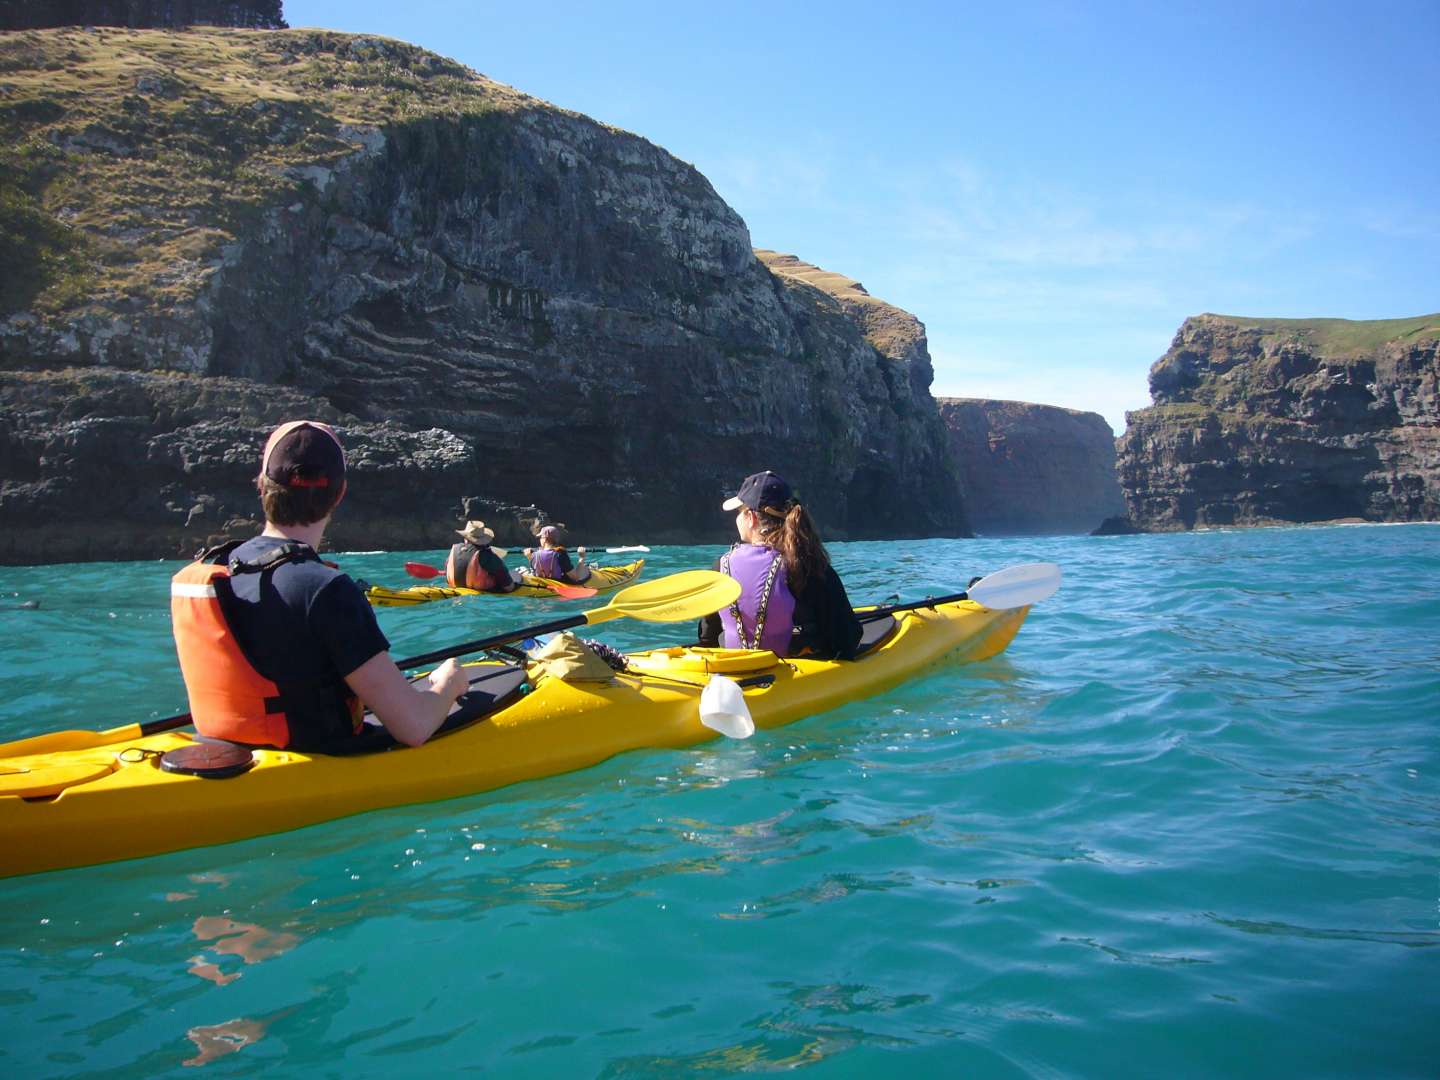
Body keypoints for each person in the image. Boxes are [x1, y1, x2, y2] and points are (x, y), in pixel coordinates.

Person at [171, 420, 469, 751]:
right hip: (316, 759)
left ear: (261, 485)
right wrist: (449, 683)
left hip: (220, 748)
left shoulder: (217, 567)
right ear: (339, 493)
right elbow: (414, 727)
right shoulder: (325, 588)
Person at [698, 470, 862, 660]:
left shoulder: (721, 566)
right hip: (798, 676)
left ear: (751, 518)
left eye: (739, 512)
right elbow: (848, 638)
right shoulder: (808, 566)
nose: (737, 518)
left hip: (734, 674)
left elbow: (706, 638)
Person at [446, 520, 518, 593]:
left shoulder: (455, 549)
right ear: (483, 540)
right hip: (483, 595)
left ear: (465, 538)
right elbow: (509, 587)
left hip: (455, 591)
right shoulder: (488, 556)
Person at [523, 524, 591, 584]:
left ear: (545, 540)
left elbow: (535, 571)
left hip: (542, 584)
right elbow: (575, 577)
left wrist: (529, 557)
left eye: (541, 537)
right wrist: (582, 557)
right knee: (586, 570)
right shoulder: (560, 554)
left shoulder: (534, 555)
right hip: (559, 583)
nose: (540, 539)